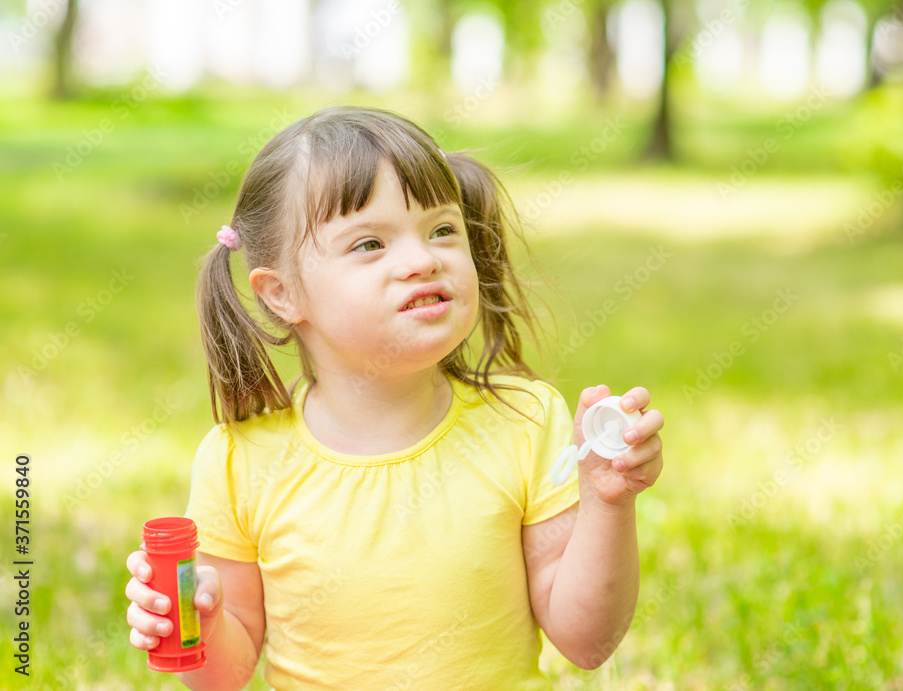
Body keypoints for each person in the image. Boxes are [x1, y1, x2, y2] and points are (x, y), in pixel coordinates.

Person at [124, 106, 664, 690]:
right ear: (281, 293)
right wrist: (199, 626)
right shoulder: (240, 462)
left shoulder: (525, 423)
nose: (423, 259)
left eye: (441, 229)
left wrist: (607, 504)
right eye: (370, 243)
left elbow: (587, 642)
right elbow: (224, 677)